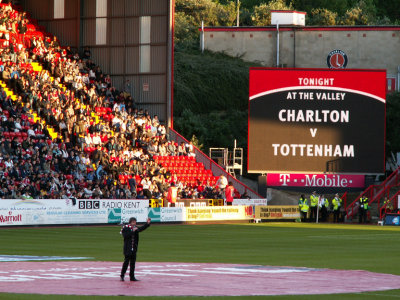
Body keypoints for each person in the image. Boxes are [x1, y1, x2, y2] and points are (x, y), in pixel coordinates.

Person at [120, 217, 151, 282]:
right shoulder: (126, 228)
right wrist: (132, 231)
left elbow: (141, 229)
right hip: (127, 248)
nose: (134, 223)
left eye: (135, 222)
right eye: (133, 222)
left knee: (133, 263)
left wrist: (147, 224)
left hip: (134, 248)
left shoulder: (135, 228)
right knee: (126, 262)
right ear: (130, 222)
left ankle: (132, 276)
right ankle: (122, 276)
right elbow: (125, 236)